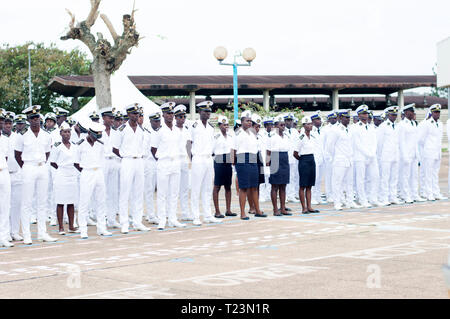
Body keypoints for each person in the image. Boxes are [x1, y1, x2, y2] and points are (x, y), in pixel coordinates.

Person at [15, 105, 57, 244]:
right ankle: (26, 234)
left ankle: (42, 233)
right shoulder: (22, 136)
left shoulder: (46, 135)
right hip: (28, 167)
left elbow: (47, 152)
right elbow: (17, 155)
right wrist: (26, 167)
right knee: (26, 203)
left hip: (42, 167)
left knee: (42, 202)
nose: (35, 120)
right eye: (32, 118)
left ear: (40, 118)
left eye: (37, 117)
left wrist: (40, 163)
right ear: (28, 120)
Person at [113, 103, 149, 233]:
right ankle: (124, 223)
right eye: (134, 113)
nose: (136, 116)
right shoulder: (122, 129)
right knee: (125, 193)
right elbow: (115, 148)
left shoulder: (141, 130)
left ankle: (137, 221)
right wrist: (124, 157)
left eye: (138, 114)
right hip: (127, 161)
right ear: (128, 115)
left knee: (138, 193)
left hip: (139, 161)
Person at [151, 102, 186, 230]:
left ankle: (172, 218)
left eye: (172, 113)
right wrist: (162, 158)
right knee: (162, 193)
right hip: (164, 162)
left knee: (174, 192)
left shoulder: (177, 130)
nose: (170, 116)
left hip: (175, 162)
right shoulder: (159, 131)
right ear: (163, 115)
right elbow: (153, 149)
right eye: (168, 113)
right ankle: (162, 219)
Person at [74, 121, 112, 239]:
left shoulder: (100, 144)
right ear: (89, 133)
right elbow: (76, 163)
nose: (97, 137)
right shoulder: (80, 144)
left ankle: (102, 228)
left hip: (98, 172)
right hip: (87, 172)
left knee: (101, 201)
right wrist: (86, 171)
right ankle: (83, 229)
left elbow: (101, 159)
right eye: (95, 134)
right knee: (84, 202)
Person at [188, 101, 222, 225]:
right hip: (197, 158)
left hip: (208, 159)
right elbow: (189, 143)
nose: (207, 113)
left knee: (208, 188)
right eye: (205, 111)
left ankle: (208, 215)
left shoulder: (211, 127)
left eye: (209, 111)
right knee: (196, 188)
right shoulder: (194, 126)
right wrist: (190, 159)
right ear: (199, 112)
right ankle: (195, 216)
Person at [232, 110, 267, 220]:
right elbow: (233, 149)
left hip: (253, 160)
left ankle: (257, 210)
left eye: (250, 121)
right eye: (247, 121)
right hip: (242, 159)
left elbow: (255, 149)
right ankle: (243, 213)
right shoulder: (237, 133)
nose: (249, 123)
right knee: (244, 188)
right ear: (242, 121)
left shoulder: (253, 134)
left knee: (254, 187)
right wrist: (234, 164)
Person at [49, 122, 79, 235]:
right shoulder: (57, 146)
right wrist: (62, 169)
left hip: (72, 174)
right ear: (60, 133)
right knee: (60, 202)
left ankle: (71, 226)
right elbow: (52, 162)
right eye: (64, 132)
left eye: (68, 132)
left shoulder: (74, 145)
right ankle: (61, 227)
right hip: (61, 174)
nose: (67, 134)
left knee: (71, 202)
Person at [325, 110, 358, 210]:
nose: (348, 119)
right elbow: (329, 146)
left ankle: (350, 201)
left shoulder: (350, 129)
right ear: (340, 118)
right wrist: (333, 158)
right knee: (337, 182)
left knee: (349, 182)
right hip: (339, 159)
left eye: (349, 118)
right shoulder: (335, 130)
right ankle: (337, 202)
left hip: (349, 159)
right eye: (346, 117)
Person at [352, 104, 380, 208]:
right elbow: (357, 144)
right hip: (360, 156)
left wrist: (372, 153)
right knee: (361, 179)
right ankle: (362, 199)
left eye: (367, 113)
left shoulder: (371, 127)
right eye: (363, 113)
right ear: (358, 115)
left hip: (372, 156)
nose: (366, 115)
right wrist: (368, 153)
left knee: (375, 177)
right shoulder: (355, 128)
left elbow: (374, 141)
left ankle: (372, 198)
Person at [418, 104, 447, 201]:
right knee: (428, 173)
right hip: (429, 152)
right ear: (431, 113)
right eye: (435, 112)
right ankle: (428, 193)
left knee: (435, 173)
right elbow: (421, 139)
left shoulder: (440, 124)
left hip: (437, 152)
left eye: (439, 112)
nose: (437, 114)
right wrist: (427, 148)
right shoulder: (427, 123)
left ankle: (436, 192)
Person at [397, 104, 426, 203]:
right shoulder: (402, 124)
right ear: (406, 113)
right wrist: (404, 155)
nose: (413, 113)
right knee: (405, 176)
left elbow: (415, 141)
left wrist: (417, 154)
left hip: (414, 154)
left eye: (413, 112)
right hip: (406, 154)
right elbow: (401, 142)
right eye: (411, 112)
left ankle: (414, 194)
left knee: (414, 176)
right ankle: (406, 195)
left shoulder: (414, 124)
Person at [376, 106, 402, 206]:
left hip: (395, 155)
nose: (394, 116)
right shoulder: (383, 127)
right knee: (385, 178)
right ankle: (384, 197)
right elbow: (379, 144)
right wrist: (380, 157)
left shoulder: (397, 126)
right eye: (392, 114)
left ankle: (393, 197)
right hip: (385, 156)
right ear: (387, 115)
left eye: (395, 114)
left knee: (394, 177)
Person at [100, 107, 121, 229]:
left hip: (113, 161)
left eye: (113, 118)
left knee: (113, 192)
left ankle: (112, 219)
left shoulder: (116, 132)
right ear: (103, 118)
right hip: (102, 161)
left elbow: (118, 149)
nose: (112, 120)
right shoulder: (98, 131)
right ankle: (102, 219)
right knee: (102, 192)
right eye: (109, 117)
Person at [294, 116, 319, 214]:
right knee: (303, 185)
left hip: (311, 159)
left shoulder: (312, 136)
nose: (310, 126)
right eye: (307, 124)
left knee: (309, 185)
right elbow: (295, 153)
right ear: (304, 126)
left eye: (310, 124)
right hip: (303, 160)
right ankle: (303, 207)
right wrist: (302, 160)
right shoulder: (301, 137)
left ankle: (309, 206)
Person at [266, 116, 291, 216]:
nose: (283, 127)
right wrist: (268, 163)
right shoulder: (271, 136)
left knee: (283, 186)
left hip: (284, 158)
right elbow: (268, 151)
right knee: (275, 186)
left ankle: (283, 208)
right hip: (275, 158)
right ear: (276, 125)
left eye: (284, 125)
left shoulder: (286, 136)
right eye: (281, 125)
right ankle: (275, 209)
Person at [4, 113, 23, 242]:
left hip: (17, 173)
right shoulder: (1, 138)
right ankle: (5, 233)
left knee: (16, 204)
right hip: (4, 174)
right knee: (5, 205)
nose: (8, 125)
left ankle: (15, 231)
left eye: (10, 123)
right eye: (6, 123)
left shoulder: (18, 137)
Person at [212, 115, 235, 218]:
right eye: (224, 124)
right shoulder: (215, 137)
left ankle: (228, 210)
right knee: (217, 186)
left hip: (228, 161)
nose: (226, 126)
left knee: (228, 186)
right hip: (219, 160)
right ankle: (217, 211)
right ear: (219, 125)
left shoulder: (230, 137)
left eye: (227, 125)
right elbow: (212, 151)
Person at [174, 105, 192, 222]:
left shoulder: (186, 130)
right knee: (173, 188)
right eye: (180, 116)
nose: (182, 119)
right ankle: (171, 213)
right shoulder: (172, 129)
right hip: (174, 160)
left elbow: (189, 145)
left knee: (184, 189)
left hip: (184, 160)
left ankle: (185, 212)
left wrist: (190, 159)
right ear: (175, 117)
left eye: (184, 116)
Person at [143, 111, 161, 224]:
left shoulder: (159, 131)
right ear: (150, 121)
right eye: (155, 121)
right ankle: (150, 214)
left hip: (157, 163)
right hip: (149, 162)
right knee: (149, 190)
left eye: (158, 121)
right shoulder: (146, 131)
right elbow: (152, 150)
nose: (157, 123)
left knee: (157, 190)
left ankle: (156, 213)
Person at [0, 121, 12, 247]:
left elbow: (6, 157)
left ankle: (3, 236)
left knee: (5, 205)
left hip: (3, 171)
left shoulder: (5, 139)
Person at [322, 111, 338, 203]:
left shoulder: (339, 127)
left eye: (335, 118)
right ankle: (329, 195)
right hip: (328, 157)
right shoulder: (325, 129)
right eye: (332, 118)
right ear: (329, 119)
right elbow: (324, 144)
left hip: (338, 156)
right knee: (329, 177)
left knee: (337, 178)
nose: (334, 120)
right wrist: (327, 156)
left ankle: (336, 195)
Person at [310, 112, 326, 205]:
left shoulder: (322, 131)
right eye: (317, 119)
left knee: (319, 179)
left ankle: (318, 196)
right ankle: (311, 197)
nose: (319, 121)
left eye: (320, 119)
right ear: (313, 121)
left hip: (322, 158)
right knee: (314, 179)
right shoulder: (310, 131)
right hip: (314, 158)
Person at [285, 113, 300, 203]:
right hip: (285, 158)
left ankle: (292, 194)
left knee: (294, 176)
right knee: (286, 177)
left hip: (294, 158)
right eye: (288, 120)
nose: (289, 122)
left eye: (291, 120)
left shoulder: (295, 132)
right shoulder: (282, 131)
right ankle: (286, 195)